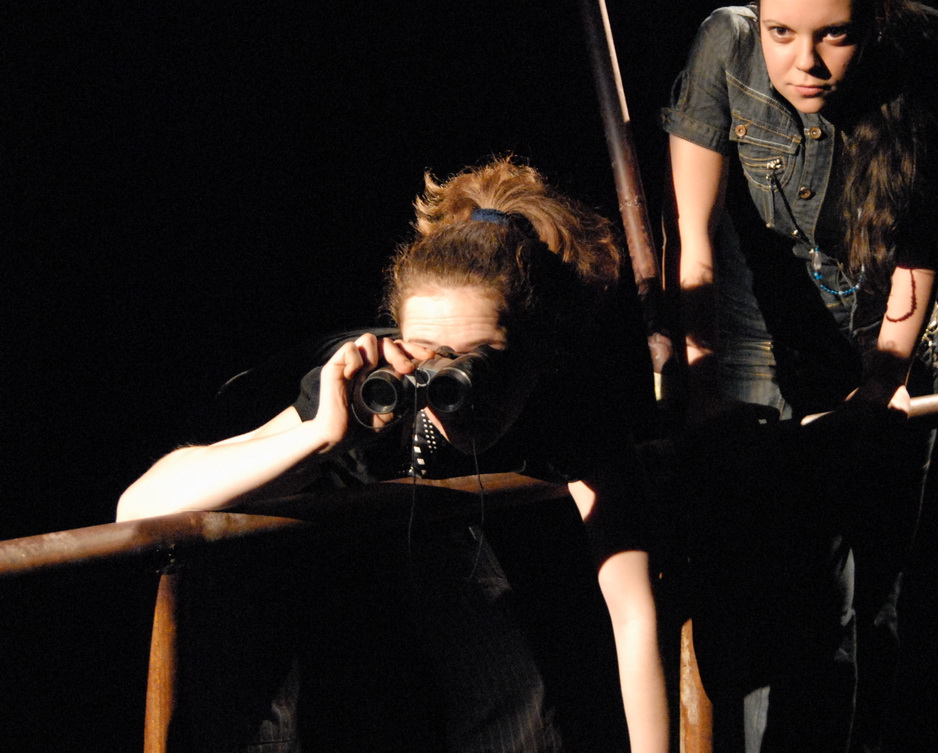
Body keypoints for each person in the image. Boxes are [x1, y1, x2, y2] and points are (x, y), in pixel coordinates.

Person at [117, 157, 669, 753]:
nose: (455, 391)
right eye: (428, 354)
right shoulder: (354, 381)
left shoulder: (569, 403)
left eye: (482, 361)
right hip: (315, 629)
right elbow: (137, 509)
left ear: (543, 352)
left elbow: (635, 616)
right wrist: (319, 436)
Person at [661, 0, 938, 751]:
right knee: (783, 593)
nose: (805, 61)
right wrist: (699, 381)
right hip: (758, 341)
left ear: (876, 15)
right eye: (782, 32)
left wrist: (884, 380)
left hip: (886, 339)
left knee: (872, 592)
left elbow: (922, 248)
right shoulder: (724, 45)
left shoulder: (922, 64)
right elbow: (693, 238)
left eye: (834, 34)